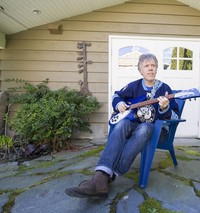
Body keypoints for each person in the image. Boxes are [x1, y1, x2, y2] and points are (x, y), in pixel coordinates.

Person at [65, 53, 179, 199]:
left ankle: (108, 176)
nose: (150, 69)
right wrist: (118, 103)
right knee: (122, 124)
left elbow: (175, 115)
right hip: (134, 124)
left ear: (156, 69)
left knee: (144, 128)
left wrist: (164, 108)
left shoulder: (165, 89)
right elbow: (116, 96)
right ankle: (101, 176)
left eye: (153, 66)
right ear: (141, 71)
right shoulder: (134, 86)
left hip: (156, 129)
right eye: (146, 66)